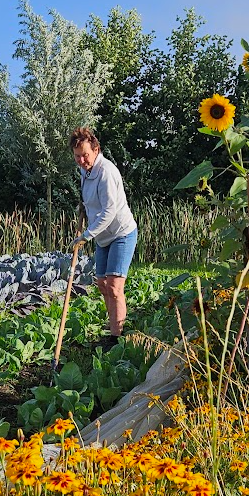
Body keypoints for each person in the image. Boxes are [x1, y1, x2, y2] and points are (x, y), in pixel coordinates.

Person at [69, 127, 138, 349]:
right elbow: (92, 200)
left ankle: (117, 338)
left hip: (121, 233)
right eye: (77, 156)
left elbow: (109, 212)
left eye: (85, 155)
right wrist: (84, 207)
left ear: (96, 150)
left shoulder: (106, 172)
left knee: (115, 286)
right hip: (103, 237)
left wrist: (86, 236)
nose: (81, 160)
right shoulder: (85, 171)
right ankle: (113, 328)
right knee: (102, 284)